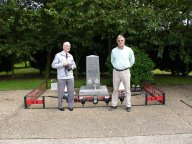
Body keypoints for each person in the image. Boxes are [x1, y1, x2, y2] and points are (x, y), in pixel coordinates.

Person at [109, 35, 135, 112]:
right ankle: (114, 104)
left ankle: (128, 105)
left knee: (127, 89)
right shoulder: (113, 51)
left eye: (122, 40)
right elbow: (112, 61)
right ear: (117, 42)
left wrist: (126, 67)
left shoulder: (129, 50)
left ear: (124, 41)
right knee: (115, 89)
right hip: (116, 72)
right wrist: (116, 67)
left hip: (125, 71)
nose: (120, 42)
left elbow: (132, 60)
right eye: (119, 40)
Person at [51, 42, 76, 111]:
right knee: (61, 92)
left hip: (70, 76)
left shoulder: (71, 56)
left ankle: (70, 106)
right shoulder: (58, 55)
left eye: (70, 46)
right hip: (61, 77)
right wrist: (62, 64)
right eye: (67, 46)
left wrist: (71, 67)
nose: (69, 47)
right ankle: (60, 106)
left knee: (71, 92)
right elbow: (53, 65)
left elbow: (74, 65)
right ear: (63, 47)